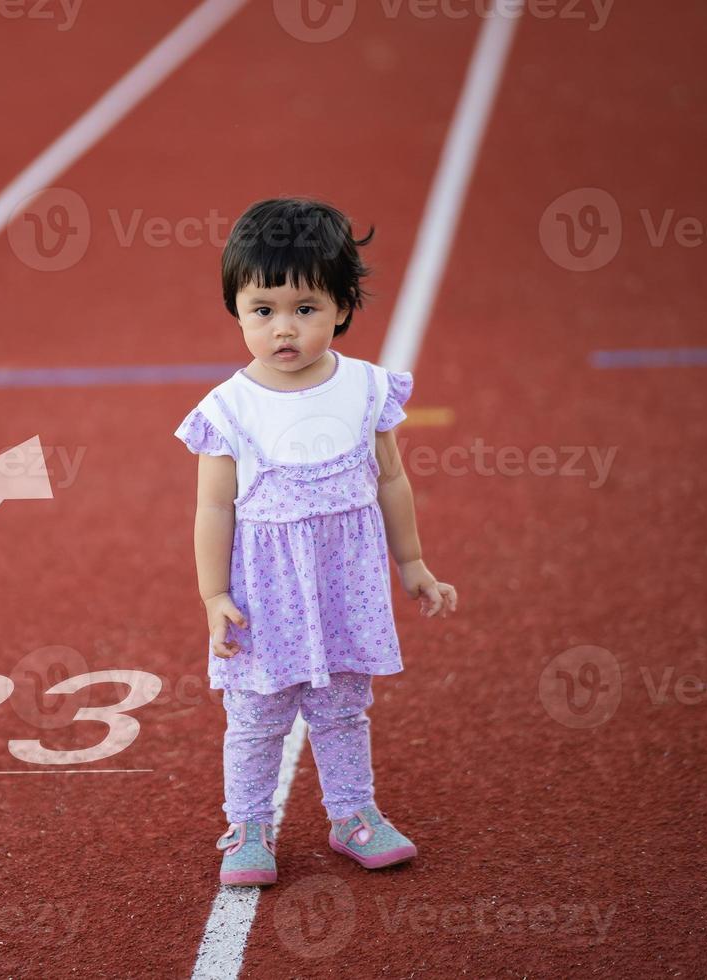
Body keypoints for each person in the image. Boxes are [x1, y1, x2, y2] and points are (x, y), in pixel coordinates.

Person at [173, 197, 458, 887]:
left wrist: (412, 562)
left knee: (342, 709)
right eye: (262, 310)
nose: (284, 329)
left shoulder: (365, 388)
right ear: (236, 310)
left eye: (306, 308)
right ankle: (248, 825)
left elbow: (390, 478)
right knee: (258, 715)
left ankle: (353, 814)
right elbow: (213, 507)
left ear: (341, 307)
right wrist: (214, 595)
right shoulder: (228, 409)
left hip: (346, 582)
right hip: (264, 594)